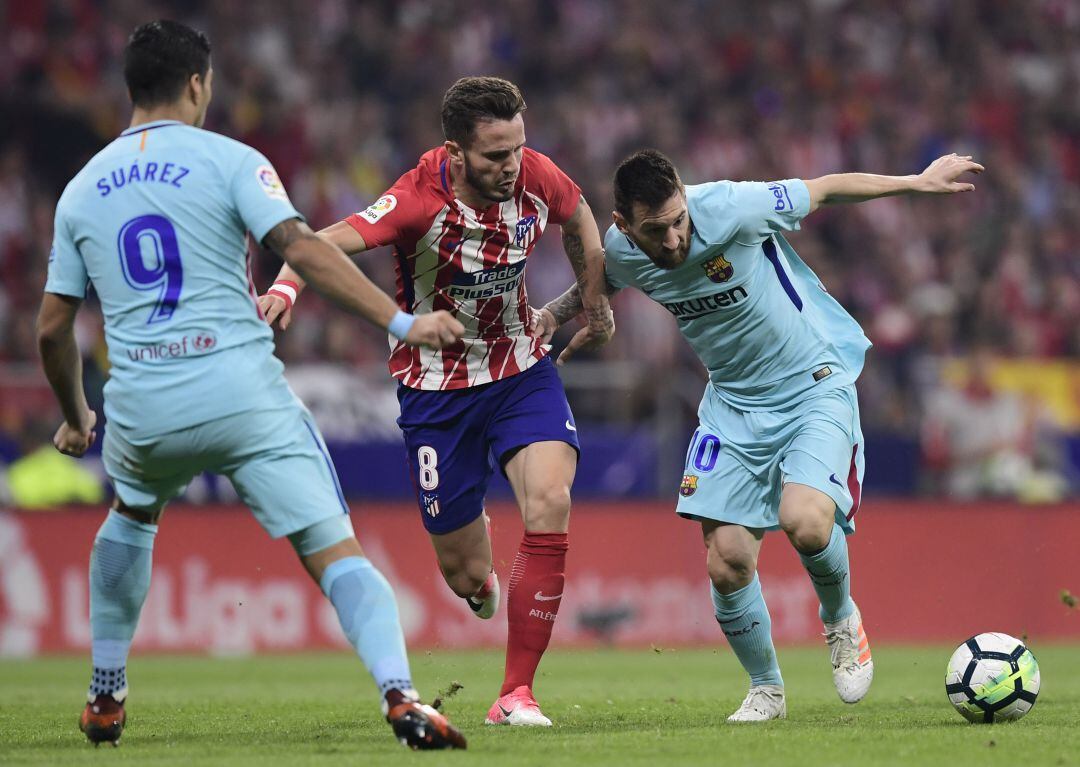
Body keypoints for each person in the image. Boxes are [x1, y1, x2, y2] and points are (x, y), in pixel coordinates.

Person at [37, 20, 466, 750]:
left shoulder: (80, 191)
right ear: (199, 84)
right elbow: (301, 249)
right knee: (335, 551)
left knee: (132, 516)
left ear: (131, 89)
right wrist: (401, 323)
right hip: (242, 393)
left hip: (143, 404)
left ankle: (106, 694)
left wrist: (78, 416)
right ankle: (401, 695)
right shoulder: (233, 160)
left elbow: (51, 327)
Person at [536, 148, 983, 721]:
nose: (673, 240)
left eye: (678, 221)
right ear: (623, 224)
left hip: (812, 383)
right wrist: (554, 313)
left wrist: (915, 182)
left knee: (806, 520)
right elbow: (597, 281)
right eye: (655, 230)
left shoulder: (733, 208)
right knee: (726, 559)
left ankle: (841, 618)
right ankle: (766, 690)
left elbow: (824, 188)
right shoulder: (622, 249)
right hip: (732, 405)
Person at [259, 76, 613, 726]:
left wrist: (591, 295)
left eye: (516, 150)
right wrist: (285, 288)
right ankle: (478, 576)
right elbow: (316, 241)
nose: (511, 167)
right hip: (436, 393)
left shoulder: (534, 173)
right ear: (455, 151)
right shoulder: (416, 198)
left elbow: (580, 210)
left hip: (520, 372)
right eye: (494, 156)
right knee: (466, 574)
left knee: (550, 499)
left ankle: (516, 695)